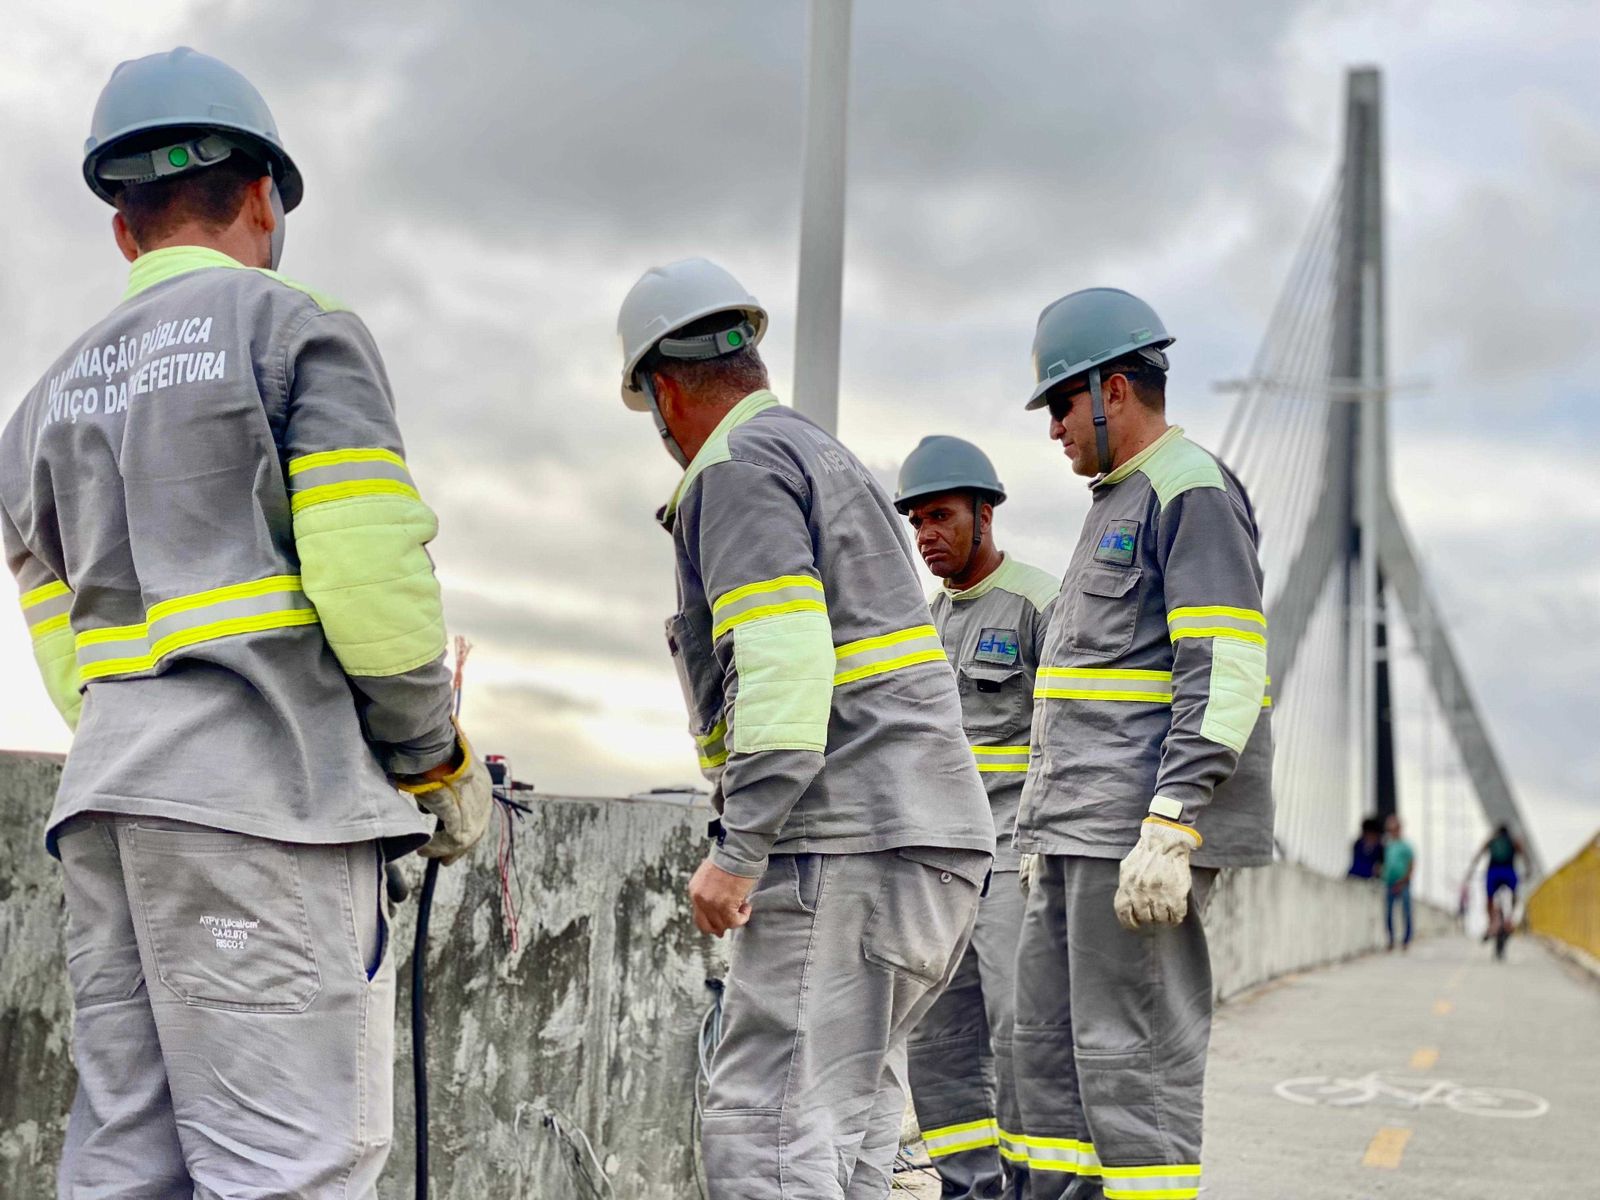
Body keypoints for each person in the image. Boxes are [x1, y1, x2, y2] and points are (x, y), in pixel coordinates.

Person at [1, 48, 491, 1197]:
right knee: (289, 1169)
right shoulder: (292, 330)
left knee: (128, 1161)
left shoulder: (37, 411)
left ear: (122, 227)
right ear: (265, 199)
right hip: (266, 809)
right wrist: (432, 760)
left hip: (111, 812)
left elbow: (71, 666)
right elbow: (371, 587)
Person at [617, 258, 996, 1199]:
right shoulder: (824, 457)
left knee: (768, 1136)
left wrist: (738, 850)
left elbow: (784, 667)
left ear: (665, 394)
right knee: (848, 1136)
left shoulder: (738, 469)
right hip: (930, 844)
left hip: (846, 844)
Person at [1007, 288, 1274, 1200]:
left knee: (1133, 1069)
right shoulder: (1114, 501)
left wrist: (1173, 823)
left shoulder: (1189, 490)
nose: (1054, 429)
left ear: (1113, 390)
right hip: (1071, 831)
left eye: (1060, 405)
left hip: (1133, 834)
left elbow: (1224, 666)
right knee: (1049, 1063)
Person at [895, 436, 1061, 1200]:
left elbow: (1075, 732)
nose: (927, 535)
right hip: (942, 865)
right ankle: (969, 1186)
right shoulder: (926, 623)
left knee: (1020, 1032)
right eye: (917, 522)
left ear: (984, 514)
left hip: (1015, 856)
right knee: (937, 1040)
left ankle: (1033, 1184)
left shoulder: (1040, 604)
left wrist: (1051, 843)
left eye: (941, 517)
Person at [1466, 823, 1527, 941]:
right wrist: (1528, 869)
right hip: (1509, 872)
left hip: (1493, 873)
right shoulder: (1513, 841)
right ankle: (1510, 920)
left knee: (1489, 898)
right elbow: (1524, 855)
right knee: (1514, 894)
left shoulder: (1492, 840)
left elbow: (1478, 855)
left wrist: (1471, 871)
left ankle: (1490, 924)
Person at [1383, 814, 1415, 951]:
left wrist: (1404, 879)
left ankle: (1406, 939)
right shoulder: (1388, 846)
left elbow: (1411, 864)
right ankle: (1391, 939)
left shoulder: (1406, 846)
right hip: (1389, 882)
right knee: (1389, 913)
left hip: (1403, 883)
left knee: (1406, 911)